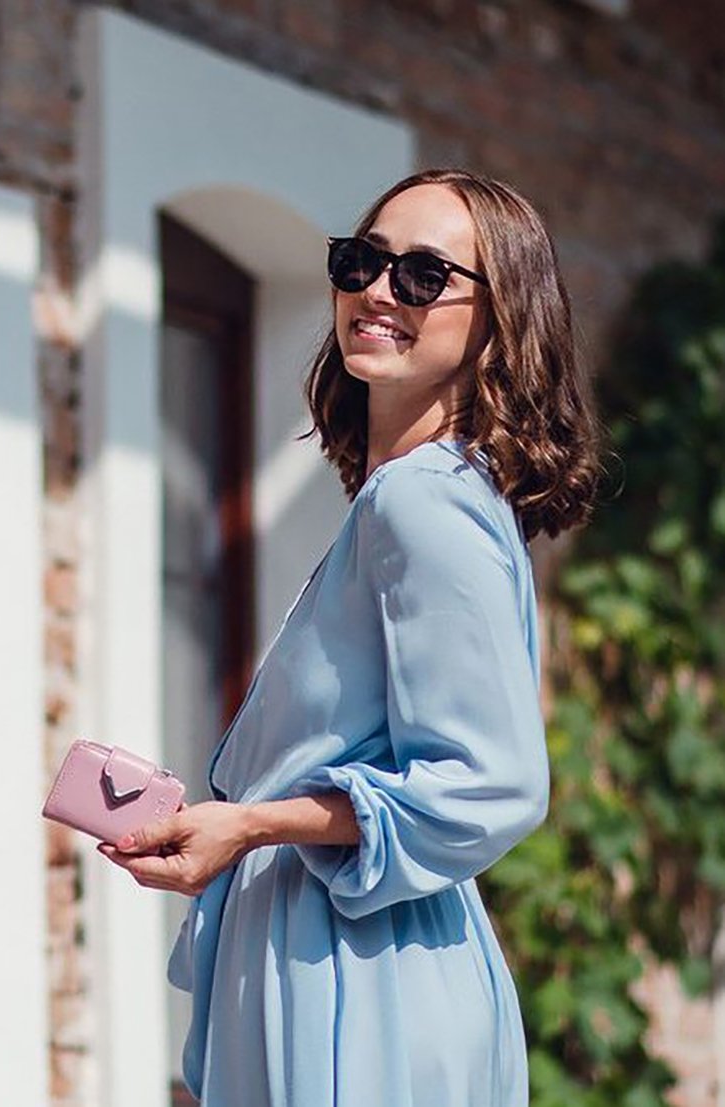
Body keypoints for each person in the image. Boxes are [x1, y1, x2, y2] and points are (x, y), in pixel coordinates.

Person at [98, 167, 601, 1107]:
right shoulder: (412, 499)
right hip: (343, 955)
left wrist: (250, 822)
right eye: (362, 261)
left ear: (501, 318)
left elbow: (492, 782)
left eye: (422, 275)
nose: (378, 290)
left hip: (357, 977)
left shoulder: (423, 503)